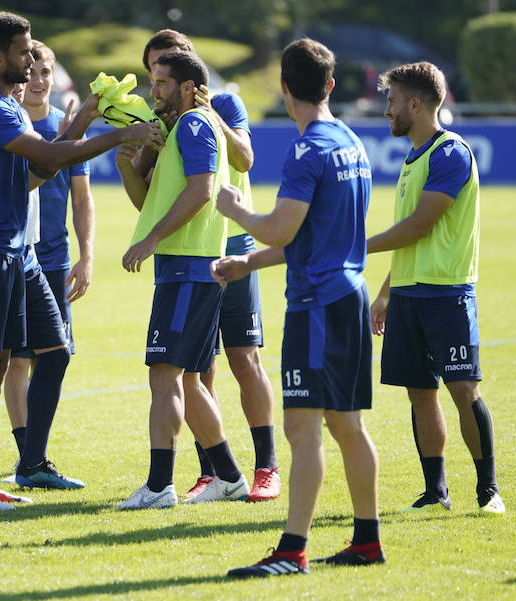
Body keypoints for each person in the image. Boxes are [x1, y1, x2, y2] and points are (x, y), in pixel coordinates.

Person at [0, 11, 162, 511]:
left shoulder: (7, 105)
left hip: (16, 253)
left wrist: (85, 118)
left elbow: (40, 166)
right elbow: (54, 158)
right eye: (23, 53)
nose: (30, 60)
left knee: (12, 361)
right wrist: (119, 136)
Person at [215, 38, 383, 577]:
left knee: (303, 428)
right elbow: (311, 236)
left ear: (284, 87)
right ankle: (366, 540)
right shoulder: (351, 143)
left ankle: (292, 549)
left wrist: (236, 210)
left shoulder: (307, 151)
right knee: (347, 425)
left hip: (316, 305)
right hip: (350, 297)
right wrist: (249, 264)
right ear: (330, 85)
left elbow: (282, 226)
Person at [138, 29, 279, 503]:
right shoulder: (168, 122)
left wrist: (207, 113)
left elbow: (242, 159)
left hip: (227, 246)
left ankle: (264, 467)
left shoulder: (213, 112)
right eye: (151, 71)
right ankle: (217, 472)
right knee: (197, 372)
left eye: (164, 72)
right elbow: (152, 198)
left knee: (242, 357)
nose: (154, 83)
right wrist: (134, 157)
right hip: (193, 253)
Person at [368, 61, 504, 515]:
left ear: (415, 103)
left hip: (447, 295)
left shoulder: (449, 152)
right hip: (408, 295)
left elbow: (421, 226)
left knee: (464, 391)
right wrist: (387, 291)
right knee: (419, 393)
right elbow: (409, 235)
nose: (386, 110)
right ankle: (435, 492)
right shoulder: (412, 157)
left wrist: (355, 246)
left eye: (391, 101)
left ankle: (488, 492)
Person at [115, 50, 248, 510]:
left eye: (163, 83)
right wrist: (124, 168)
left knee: (165, 375)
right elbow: (156, 199)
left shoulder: (193, 125)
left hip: (188, 268)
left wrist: (150, 239)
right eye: (153, 82)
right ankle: (229, 478)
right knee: (189, 380)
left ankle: (158, 486)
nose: (154, 91)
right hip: (189, 268)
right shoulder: (180, 128)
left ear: (189, 87)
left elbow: (202, 188)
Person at [0, 40, 95, 484]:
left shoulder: (65, 124)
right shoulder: (11, 125)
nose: (38, 80)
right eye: (32, 71)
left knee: (51, 356)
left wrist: (87, 254)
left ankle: (33, 456)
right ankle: (28, 455)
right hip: (14, 257)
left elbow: (82, 200)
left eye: (46, 72)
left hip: (54, 260)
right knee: (16, 361)